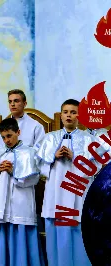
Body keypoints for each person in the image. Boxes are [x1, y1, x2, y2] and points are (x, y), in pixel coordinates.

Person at [35, 99, 107, 266]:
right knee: (55, 233)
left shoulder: (89, 140)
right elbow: (40, 167)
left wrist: (74, 156)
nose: (69, 115)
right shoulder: (49, 138)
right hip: (55, 192)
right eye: (66, 112)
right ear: (61, 116)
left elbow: (95, 168)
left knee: (79, 231)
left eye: (73, 112)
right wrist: (54, 156)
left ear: (79, 116)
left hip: (77, 192)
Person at [0, 118, 44, 266]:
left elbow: (34, 179)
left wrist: (13, 171)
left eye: (10, 136)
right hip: (1, 205)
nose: (7, 140)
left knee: (21, 237)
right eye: (4, 137)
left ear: (18, 132)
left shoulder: (30, 152)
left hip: (21, 203)